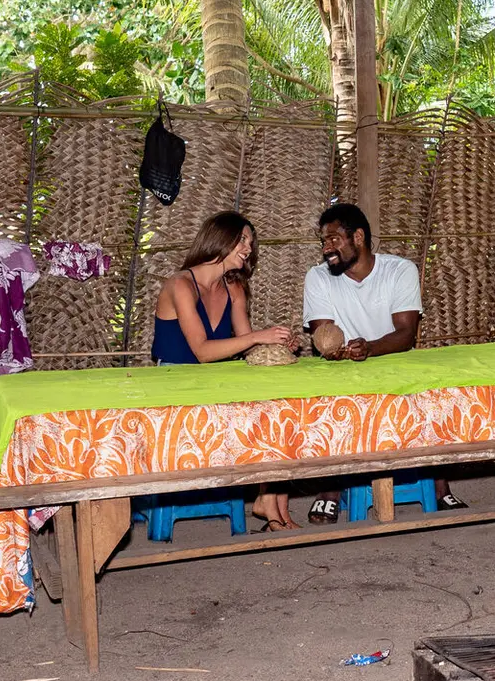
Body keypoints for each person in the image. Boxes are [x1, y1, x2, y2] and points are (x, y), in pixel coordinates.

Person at [301, 202, 466, 522]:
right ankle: (330, 488)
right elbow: (323, 334)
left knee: (430, 395)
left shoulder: (399, 270)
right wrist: (337, 352)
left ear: (358, 237)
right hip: (342, 370)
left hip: (392, 362)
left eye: (334, 240)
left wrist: (370, 349)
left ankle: (438, 485)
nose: (327, 249)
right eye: (324, 242)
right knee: (330, 399)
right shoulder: (318, 277)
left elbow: (406, 334)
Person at [152, 211, 302, 531]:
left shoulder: (234, 287)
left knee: (278, 407)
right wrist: (260, 337)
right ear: (219, 240)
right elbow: (203, 352)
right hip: (175, 384)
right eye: (242, 240)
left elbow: (247, 346)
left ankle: (269, 501)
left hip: (218, 381)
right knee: (261, 413)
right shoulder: (180, 285)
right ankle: (271, 505)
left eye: (250, 241)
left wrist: (276, 346)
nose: (248, 247)